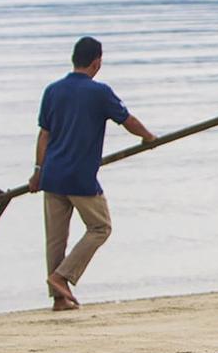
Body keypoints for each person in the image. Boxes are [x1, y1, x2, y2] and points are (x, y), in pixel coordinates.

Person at [27, 37, 156, 310]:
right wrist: (148, 137)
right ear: (96, 62)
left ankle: (59, 299)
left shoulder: (53, 91)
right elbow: (127, 120)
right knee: (101, 227)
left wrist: (38, 171)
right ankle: (61, 277)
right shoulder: (99, 92)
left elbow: (44, 135)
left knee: (55, 239)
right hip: (79, 177)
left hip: (52, 175)